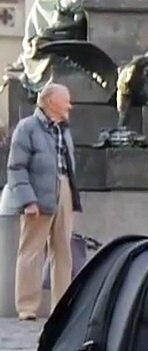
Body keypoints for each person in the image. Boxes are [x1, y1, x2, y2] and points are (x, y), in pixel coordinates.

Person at [0, 83, 81, 320]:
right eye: (66, 100)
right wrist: (28, 201)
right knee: (31, 251)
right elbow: (16, 168)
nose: (70, 106)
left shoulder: (64, 130)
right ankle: (27, 307)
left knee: (63, 251)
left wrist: (71, 197)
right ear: (50, 102)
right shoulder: (27, 128)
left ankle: (61, 307)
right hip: (37, 194)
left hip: (64, 190)